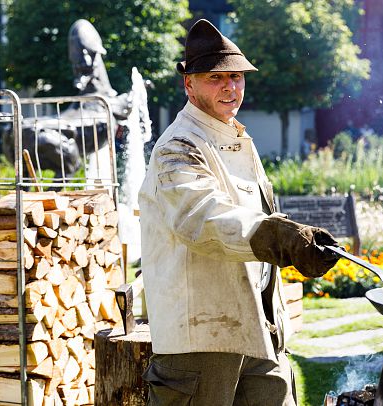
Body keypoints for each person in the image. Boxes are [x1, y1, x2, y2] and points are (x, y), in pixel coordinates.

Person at [138, 19, 340, 406]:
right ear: (189, 84)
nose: (230, 87)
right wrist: (277, 237)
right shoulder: (177, 147)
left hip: (256, 328)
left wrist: (287, 240)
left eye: (237, 77)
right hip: (200, 339)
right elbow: (203, 216)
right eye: (216, 77)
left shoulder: (232, 136)